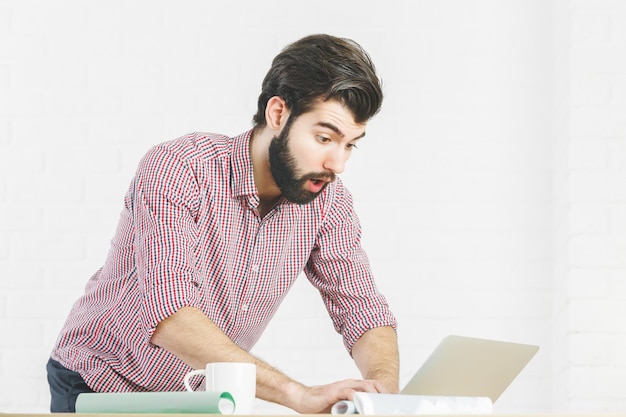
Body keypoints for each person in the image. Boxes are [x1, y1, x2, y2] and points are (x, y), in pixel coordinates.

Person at [47, 33, 399, 413]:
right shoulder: (180, 167)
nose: (338, 163)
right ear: (278, 113)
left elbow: (362, 308)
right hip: (102, 382)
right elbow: (170, 314)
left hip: (199, 397)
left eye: (350, 144)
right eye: (324, 137)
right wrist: (298, 395)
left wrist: (381, 394)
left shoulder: (329, 202)